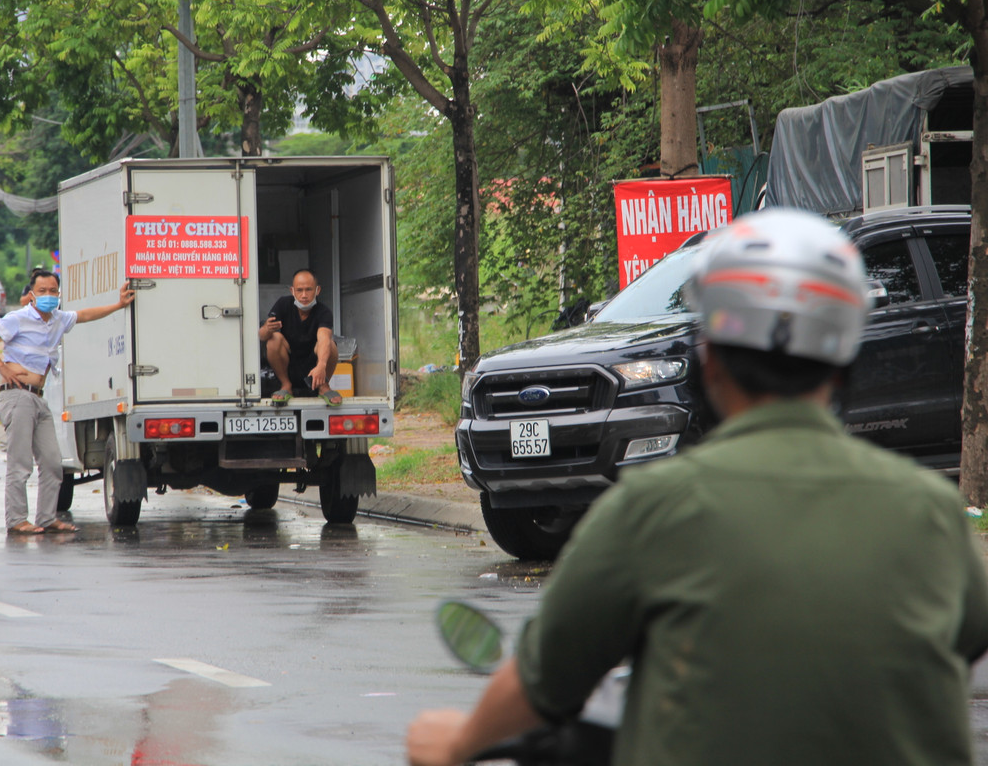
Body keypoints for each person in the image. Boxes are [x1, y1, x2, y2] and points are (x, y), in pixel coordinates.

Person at [406, 209, 988, 766]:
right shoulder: (932, 514)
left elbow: (541, 682)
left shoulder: (650, 511)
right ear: (845, 357)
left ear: (709, 362)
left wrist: (457, 743)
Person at [0, 269, 134, 535]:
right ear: (32, 295)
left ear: (59, 294)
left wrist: (118, 305)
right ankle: (17, 520)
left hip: (38, 398)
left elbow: (85, 315)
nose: (48, 295)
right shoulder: (19, 318)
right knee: (20, 464)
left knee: (52, 462)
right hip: (18, 396)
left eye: (52, 291)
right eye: (42, 291)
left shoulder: (59, 319)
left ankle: (47, 518)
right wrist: (2, 367)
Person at [258, 268, 341, 406]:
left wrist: (321, 365)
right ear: (292, 291)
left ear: (318, 290)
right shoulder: (283, 304)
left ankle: (324, 386)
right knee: (273, 338)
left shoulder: (324, 312)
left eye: (308, 290)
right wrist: (266, 328)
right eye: (299, 290)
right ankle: (286, 385)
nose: (304, 295)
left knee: (330, 345)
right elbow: (261, 336)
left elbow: (324, 338)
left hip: (315, 369)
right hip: (288, 365)